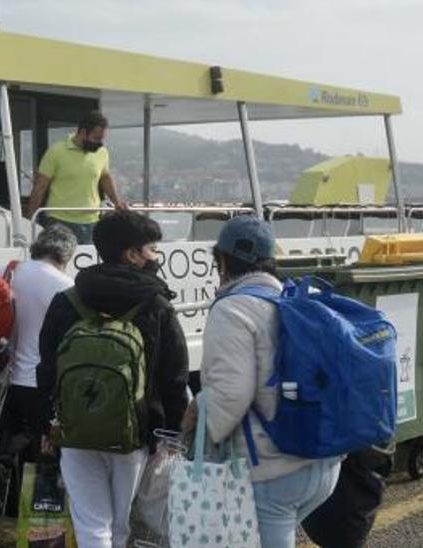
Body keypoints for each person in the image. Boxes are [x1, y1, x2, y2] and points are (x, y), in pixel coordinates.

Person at [37, 210, 190, 548]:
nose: (156, 256)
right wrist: (173, 433)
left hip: (75, 431)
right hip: (135, 432)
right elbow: (174, 377)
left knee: (92, 523)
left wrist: (46, 423)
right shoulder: (155, 304)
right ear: (131, 254)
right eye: (151, 249)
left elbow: (47, 368)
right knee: (121, 524)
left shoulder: (67, 300)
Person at [189, 215, 341, 548]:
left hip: (273, 471)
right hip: (323, 464)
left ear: (224, 260)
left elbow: (231, 393)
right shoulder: (303, 297)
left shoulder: (233, 310)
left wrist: (198, 424)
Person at [0, 225, 79, 512]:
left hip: (4, 378)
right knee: (45, 452)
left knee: (12, 435)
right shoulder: (65, 286)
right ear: (67, 254)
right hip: (41, 382)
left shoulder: (8, 271)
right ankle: (40, 523)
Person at [26, 111, 127, 244]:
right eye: (96, 138)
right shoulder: (56, 151)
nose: (100, 143)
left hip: (92, 221)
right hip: (59, 220)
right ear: (83, 132)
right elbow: (40, 186)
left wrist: (116, 202)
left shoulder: (102, 152)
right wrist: (30, 219)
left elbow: (105, 178)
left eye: (102, 139)